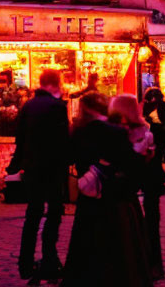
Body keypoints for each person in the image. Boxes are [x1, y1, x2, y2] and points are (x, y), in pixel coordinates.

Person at [63, 92, 152, 287]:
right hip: (115, 200)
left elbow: (68, 159)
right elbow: (131, 167)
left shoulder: (78, 131)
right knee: (119, 252)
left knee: (85, 247)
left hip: (88, 199)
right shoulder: (115, 132)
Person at [6, 68, 70, 282]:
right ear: (54, 84)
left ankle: (25, 262)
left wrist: (17, 164)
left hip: (32, 169)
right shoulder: (57, 107)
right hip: (52, 169)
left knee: (32, 214)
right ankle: (49, 258)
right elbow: (62, 141)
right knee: (53, 214)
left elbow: (20, 137)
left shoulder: (28, 106)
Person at [109, 93, 165, 281]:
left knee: (147, 221)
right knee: (148, 222)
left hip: (142, 181)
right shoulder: (141, 129)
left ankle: (150, 263)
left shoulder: (137, 130)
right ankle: (150, 263)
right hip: (145, 181)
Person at [143, 87, 165, 166]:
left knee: (161, 146)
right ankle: (159, 161)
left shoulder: (163, 105)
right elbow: (145, 115)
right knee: (157, 147)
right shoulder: (148, 105)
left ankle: (162, 159)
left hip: (161, 128)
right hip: (154, 127)